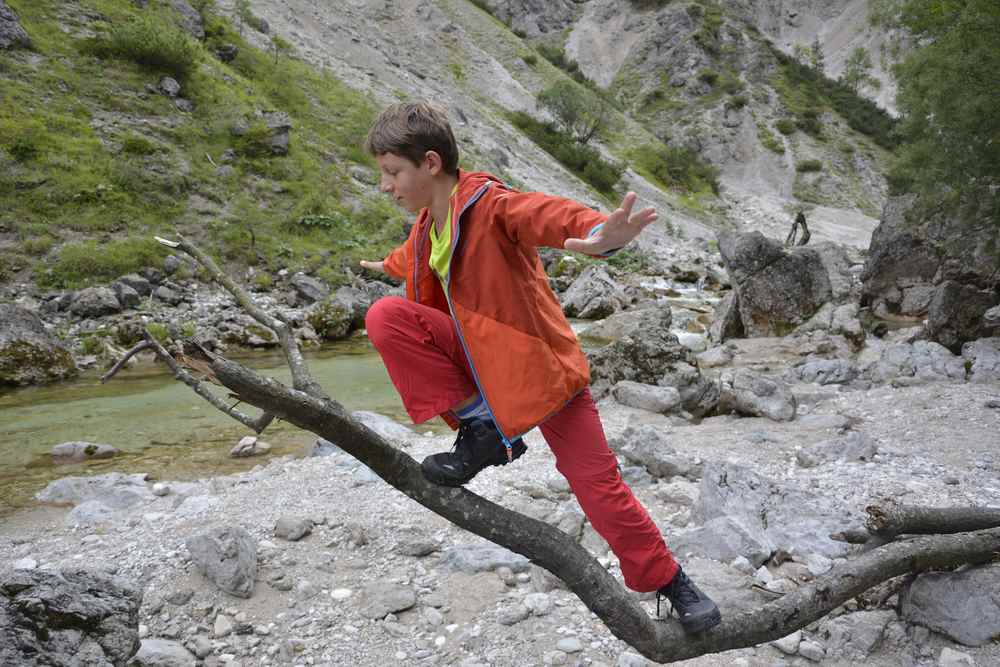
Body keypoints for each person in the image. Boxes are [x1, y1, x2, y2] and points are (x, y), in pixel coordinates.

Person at [358, 102, 721, 634]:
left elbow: (547, 215)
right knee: (388, 315)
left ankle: (671, 582)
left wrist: (601, 233)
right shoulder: (424, 228)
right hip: (485, 373)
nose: (386, 186)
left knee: (599, 487)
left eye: (393, 173)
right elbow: (412, 258)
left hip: (542, 374)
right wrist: (382, 266)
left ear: (431, 163)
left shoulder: (493, 205)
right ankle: (484, 431)